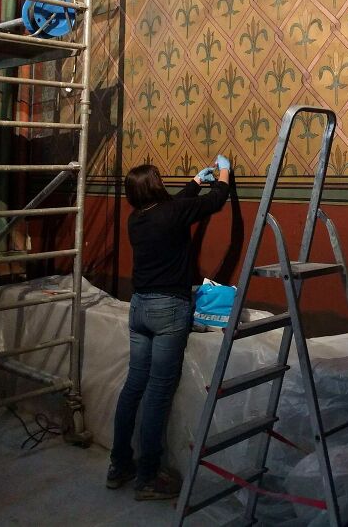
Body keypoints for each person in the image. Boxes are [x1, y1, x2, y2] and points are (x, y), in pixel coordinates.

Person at [106, 155, 231, 501]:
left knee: (134, 387)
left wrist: (193, 182)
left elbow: (171, 207)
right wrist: (224, 173)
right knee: (158, 393)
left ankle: (119, 464)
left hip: (140, 308)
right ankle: (147, 476)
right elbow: (215, 202)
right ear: (155, 187)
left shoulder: (137, 219)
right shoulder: (172, 214)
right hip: (168, 311)